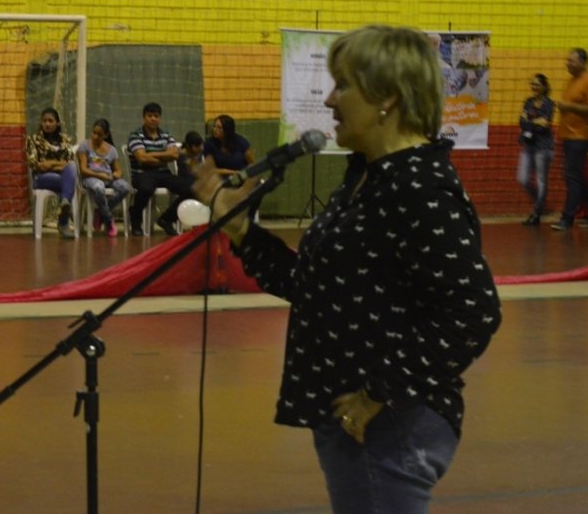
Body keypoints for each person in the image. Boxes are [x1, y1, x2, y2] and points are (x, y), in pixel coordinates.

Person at [192, 25, 501, 514]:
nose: (331, 100)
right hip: (352, 419)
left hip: (389, 425)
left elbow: (473, 311)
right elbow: (316, 287)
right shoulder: (367, 177)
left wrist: (377, 394)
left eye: (345, 85)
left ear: (389, 98)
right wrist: (239, 229)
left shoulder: (419, 187)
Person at [552, 48, 588, 230]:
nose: (568, 63)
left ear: (583, 63)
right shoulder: (571, 82)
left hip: (581, 137)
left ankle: (567, 219)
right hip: (568, 136)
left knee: (572, 176)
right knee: (577, 176)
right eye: (567, 60)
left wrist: (569, 106)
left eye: (571, 61)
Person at [127, 102, 195, 236]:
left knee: (193, 188)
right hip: (142, 174)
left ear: (160, 118)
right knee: (146, 189)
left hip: (163, 173)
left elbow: (174, 154)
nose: (153, 119)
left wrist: (150, 154)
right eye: (150, 116)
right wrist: (164, 156)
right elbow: (142, 159)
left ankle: (166, 219)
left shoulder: (166, 135)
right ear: (144, 117)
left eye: (156, 116)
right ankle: (135, 219)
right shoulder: (135, 135)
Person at [26, 107, 77, 238]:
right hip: (41, 178)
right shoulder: (33, 139)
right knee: (68, 181)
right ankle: (64, 221)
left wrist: (50, 164)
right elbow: (36, 164)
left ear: (57, 123)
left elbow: (69, 163)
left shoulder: (65, 140)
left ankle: (64, 202)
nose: (47, 124)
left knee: (71, 170)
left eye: (51, 121)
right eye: (44, 121)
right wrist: (58, 165)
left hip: (62, 177)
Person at [76, 118, 131, 237]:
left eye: (99, 134)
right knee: (98, 187)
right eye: (94, 133)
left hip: (107, 177)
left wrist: (114, 175)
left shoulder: (112, 150)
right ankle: (109, 219)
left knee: (125, 187)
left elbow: (118, 171)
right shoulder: (84, 146)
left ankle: (100, 212)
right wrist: (99, 175)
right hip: (91, 177)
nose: (95, 136)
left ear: (106, 135)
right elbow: (83, 169)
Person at [517, 74, 555, 226]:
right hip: (529, 145)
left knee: (541, 181)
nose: (534, 87)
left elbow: (545, 124)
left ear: (544, 87)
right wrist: (534, 123)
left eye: (537, 84)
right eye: (532, 84)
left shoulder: (549, 103)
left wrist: (529, 122)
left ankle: (537, 212)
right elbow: (521, 122)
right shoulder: (528, 102)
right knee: (523, 179)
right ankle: (541, 204)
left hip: (544, 147)